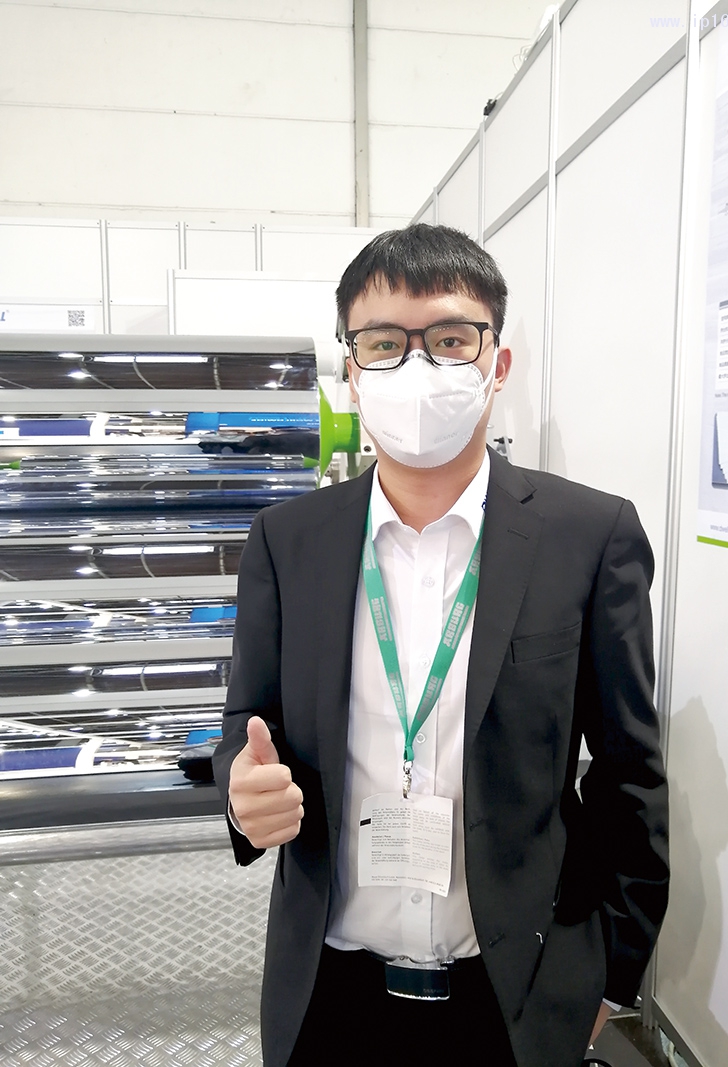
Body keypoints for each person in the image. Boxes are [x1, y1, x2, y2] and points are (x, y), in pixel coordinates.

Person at [212, 224, 669, 1067]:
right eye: (385, 342)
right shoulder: (288, 540)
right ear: (352, 371)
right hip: (330, 996)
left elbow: (628, 775)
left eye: (451, 339)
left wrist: (611, 979)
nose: (418, 366)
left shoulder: (588, 535)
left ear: (498, 363)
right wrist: (243, 794)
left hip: (515, 998)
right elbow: (247, 723)